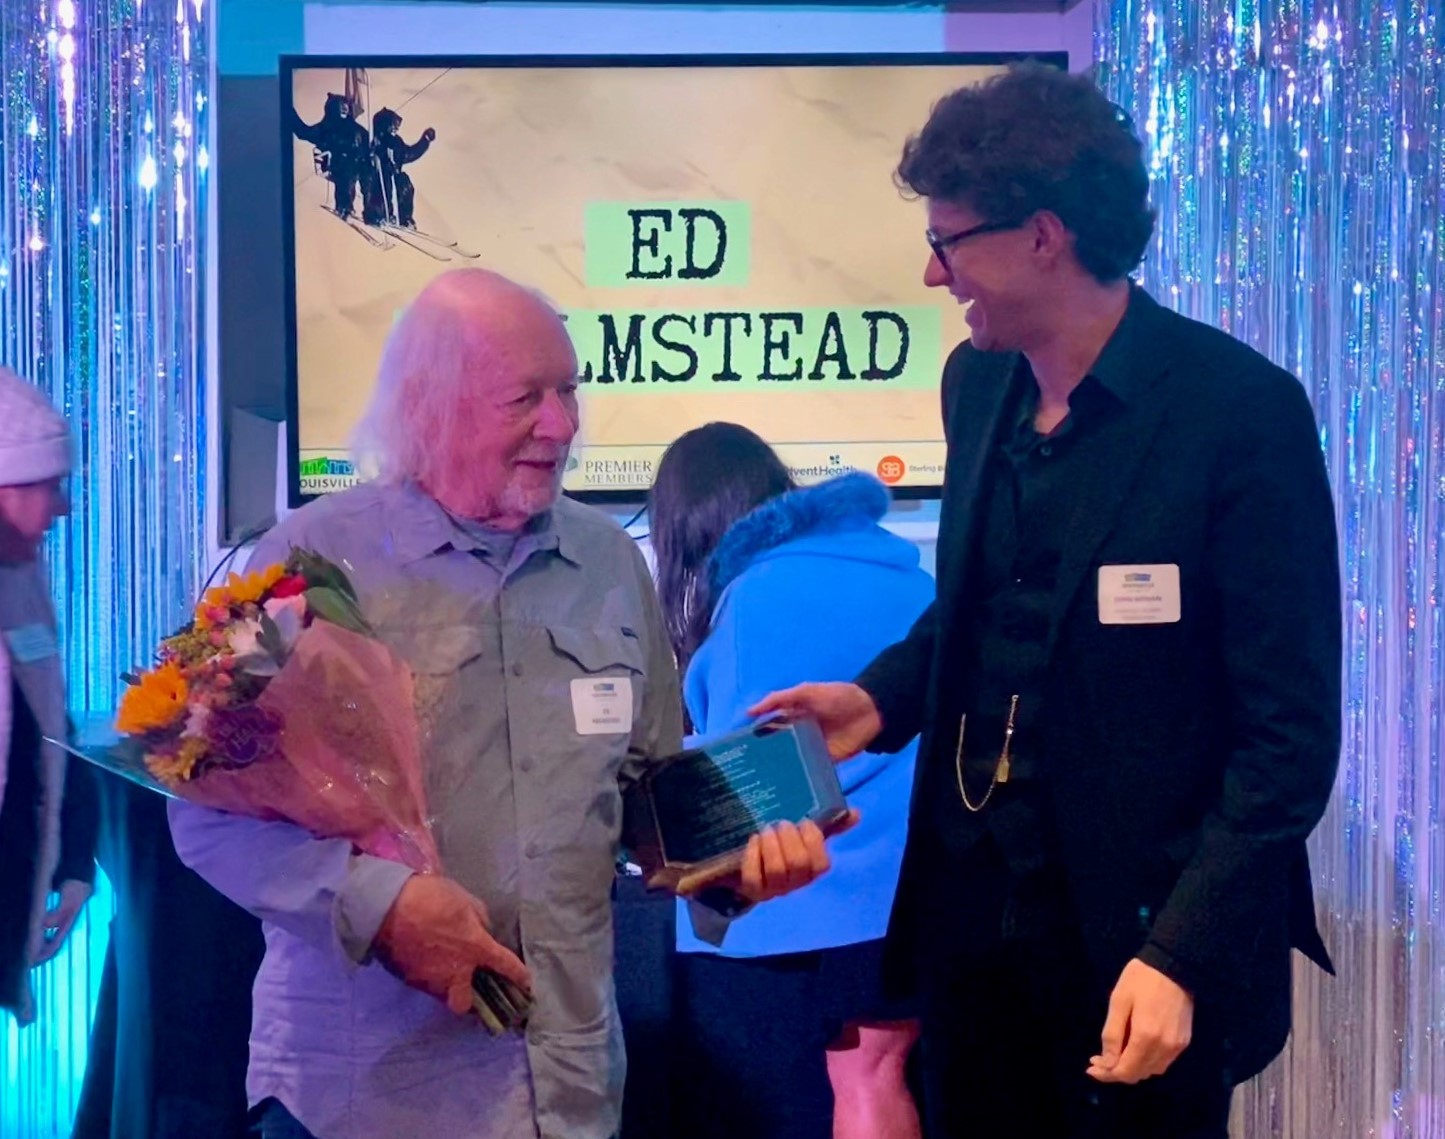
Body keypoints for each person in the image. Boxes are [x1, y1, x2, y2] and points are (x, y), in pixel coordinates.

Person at [754, 63, 1342, 1139]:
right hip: (973, 923)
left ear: (1041, 235)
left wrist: (1178, 952)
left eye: (947, 240)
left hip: (1143, 938)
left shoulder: (1238, 412)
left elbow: (1286, 742)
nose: (932, 273)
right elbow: (975, 610)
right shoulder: (977, 384)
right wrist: (877, 702)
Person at [168, 268, 834, 1139]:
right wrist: (382, 904)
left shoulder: (610, 564)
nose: (561, 426)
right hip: (361, 1099)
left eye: (569, 392)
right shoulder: (303, 564)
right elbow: (204, 812)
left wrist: (734, 859)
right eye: (526, 397)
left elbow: (642, 798)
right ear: (429, 407)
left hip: (565, 1093)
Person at [648, 424, 933, 1139]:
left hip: (820, 890)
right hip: (928, 879)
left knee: (854, 1075)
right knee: (889, 1069)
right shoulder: (901, 567)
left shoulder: (753, 596)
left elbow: (736, 776)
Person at [0, 365, 97, 1025]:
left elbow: (45, 722)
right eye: (51, 488)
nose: (61, 509)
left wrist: (72, 856)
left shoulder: (20, 575)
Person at [290, 93, 378, 223]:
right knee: (347, 170)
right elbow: (303, 132)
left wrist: (372, 152)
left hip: (358, 164)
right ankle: (344, 207)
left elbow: (367, 148)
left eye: (346, 106)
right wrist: (290, 114)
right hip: (337, 164)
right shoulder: (326, 127)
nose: (345, 108)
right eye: (341, 106)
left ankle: (372, 213)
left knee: (369, 174)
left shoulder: (357, 130)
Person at [372, 108, 435, 229]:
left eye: (397, 125)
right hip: (380, 173)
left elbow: (409, 153)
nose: (396, 128)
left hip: (394, 173)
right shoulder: (378, 140)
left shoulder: (397, 142)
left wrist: (425, 141)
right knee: (384, 184)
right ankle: (382, 215)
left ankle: (405, 218)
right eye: (393, 125)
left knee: (404, 183)